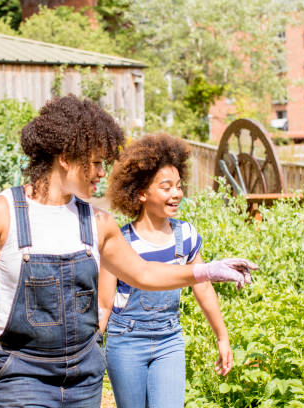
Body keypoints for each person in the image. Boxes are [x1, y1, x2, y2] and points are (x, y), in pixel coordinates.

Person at [0, 95, 257, 408]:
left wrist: (204, 270)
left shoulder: (98, 223)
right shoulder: (0, 215)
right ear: (65, 157)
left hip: (82, 377)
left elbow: (143, 273)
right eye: (96, 163)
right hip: (20, 373)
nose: (103, 173)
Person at [98, 133, 241, 408]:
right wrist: (89, 351)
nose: (176, 193)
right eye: (166, 187)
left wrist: (222, 337)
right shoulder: (120, 241)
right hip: (126, 341)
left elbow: (202, 286)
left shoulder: (185, 235)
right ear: (141, 193)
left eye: (178, 186)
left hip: (169, 339)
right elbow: (104, 305)